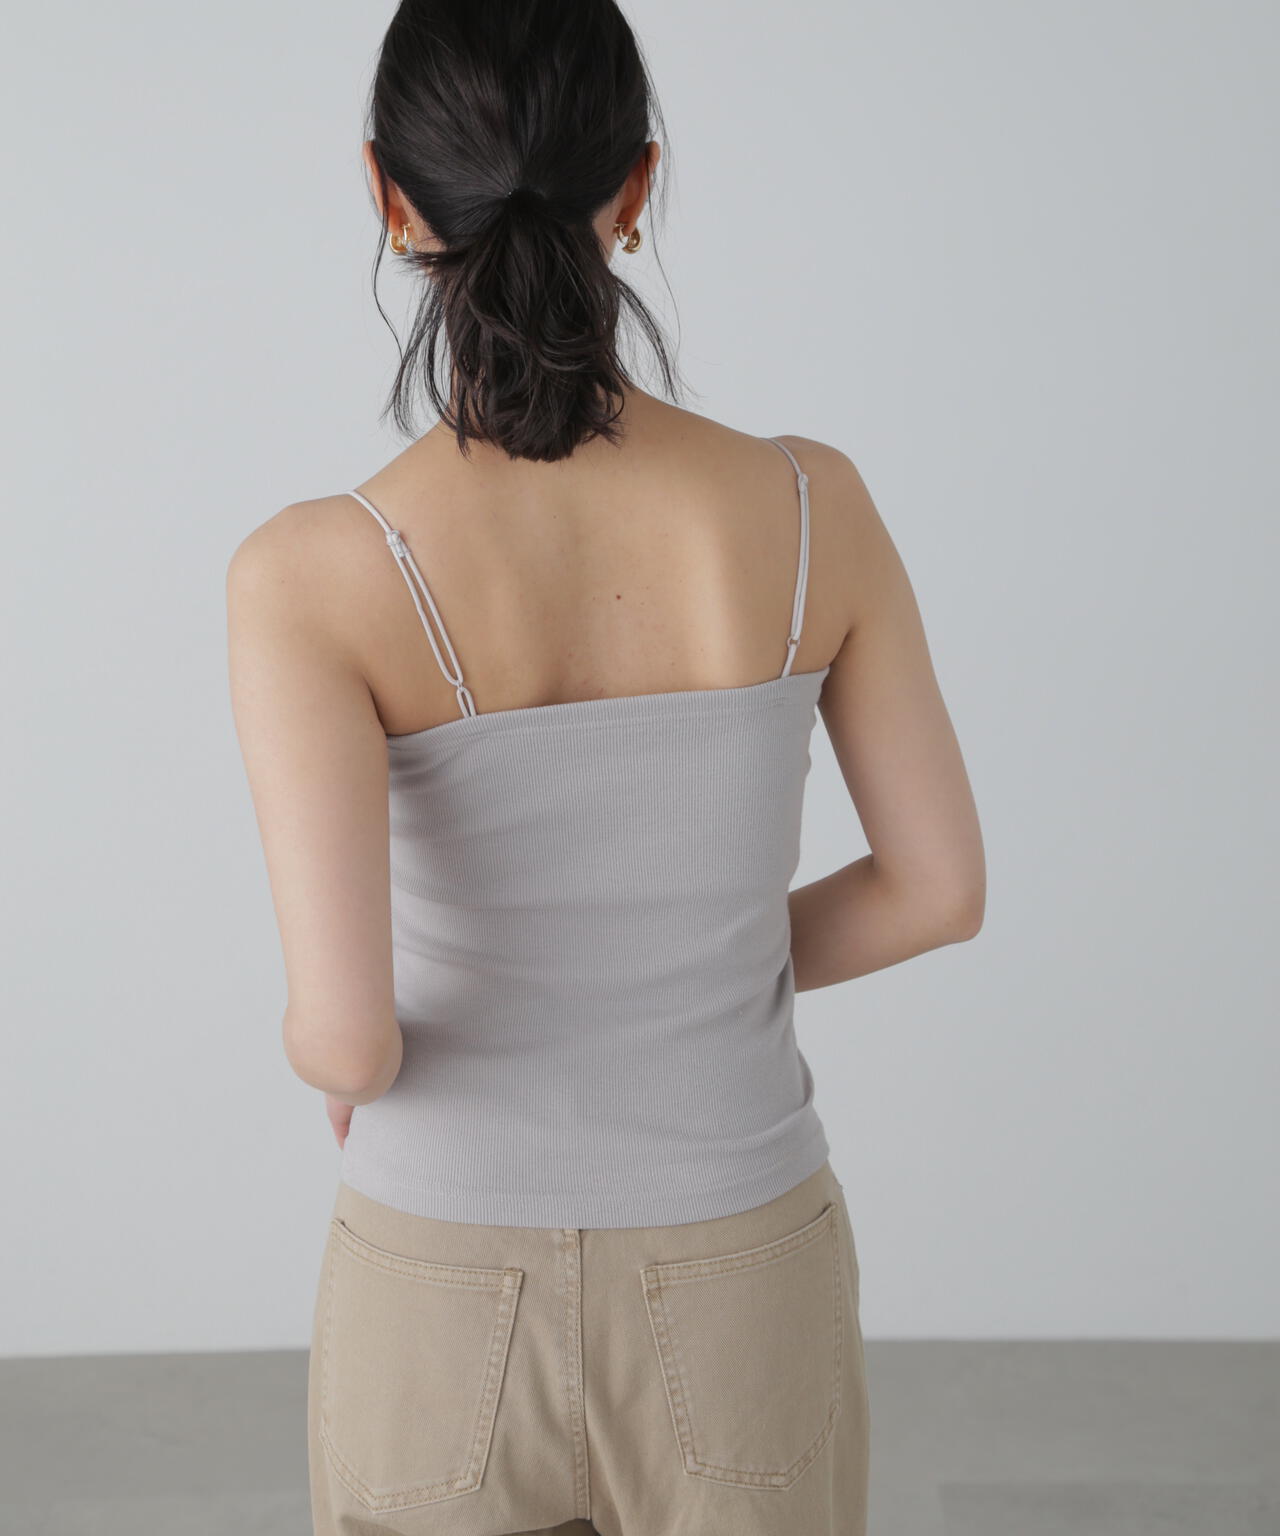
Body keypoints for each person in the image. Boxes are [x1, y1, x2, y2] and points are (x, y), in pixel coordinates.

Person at [225, 1, 985, 1532]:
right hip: (740, 1264)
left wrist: (333, 1056)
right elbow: (936, 889)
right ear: (637, 184)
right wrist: (681, 958)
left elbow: (351, 1046)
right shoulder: (810, 507)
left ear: (388, 195)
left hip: (440, 1279)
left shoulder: (310, 575)